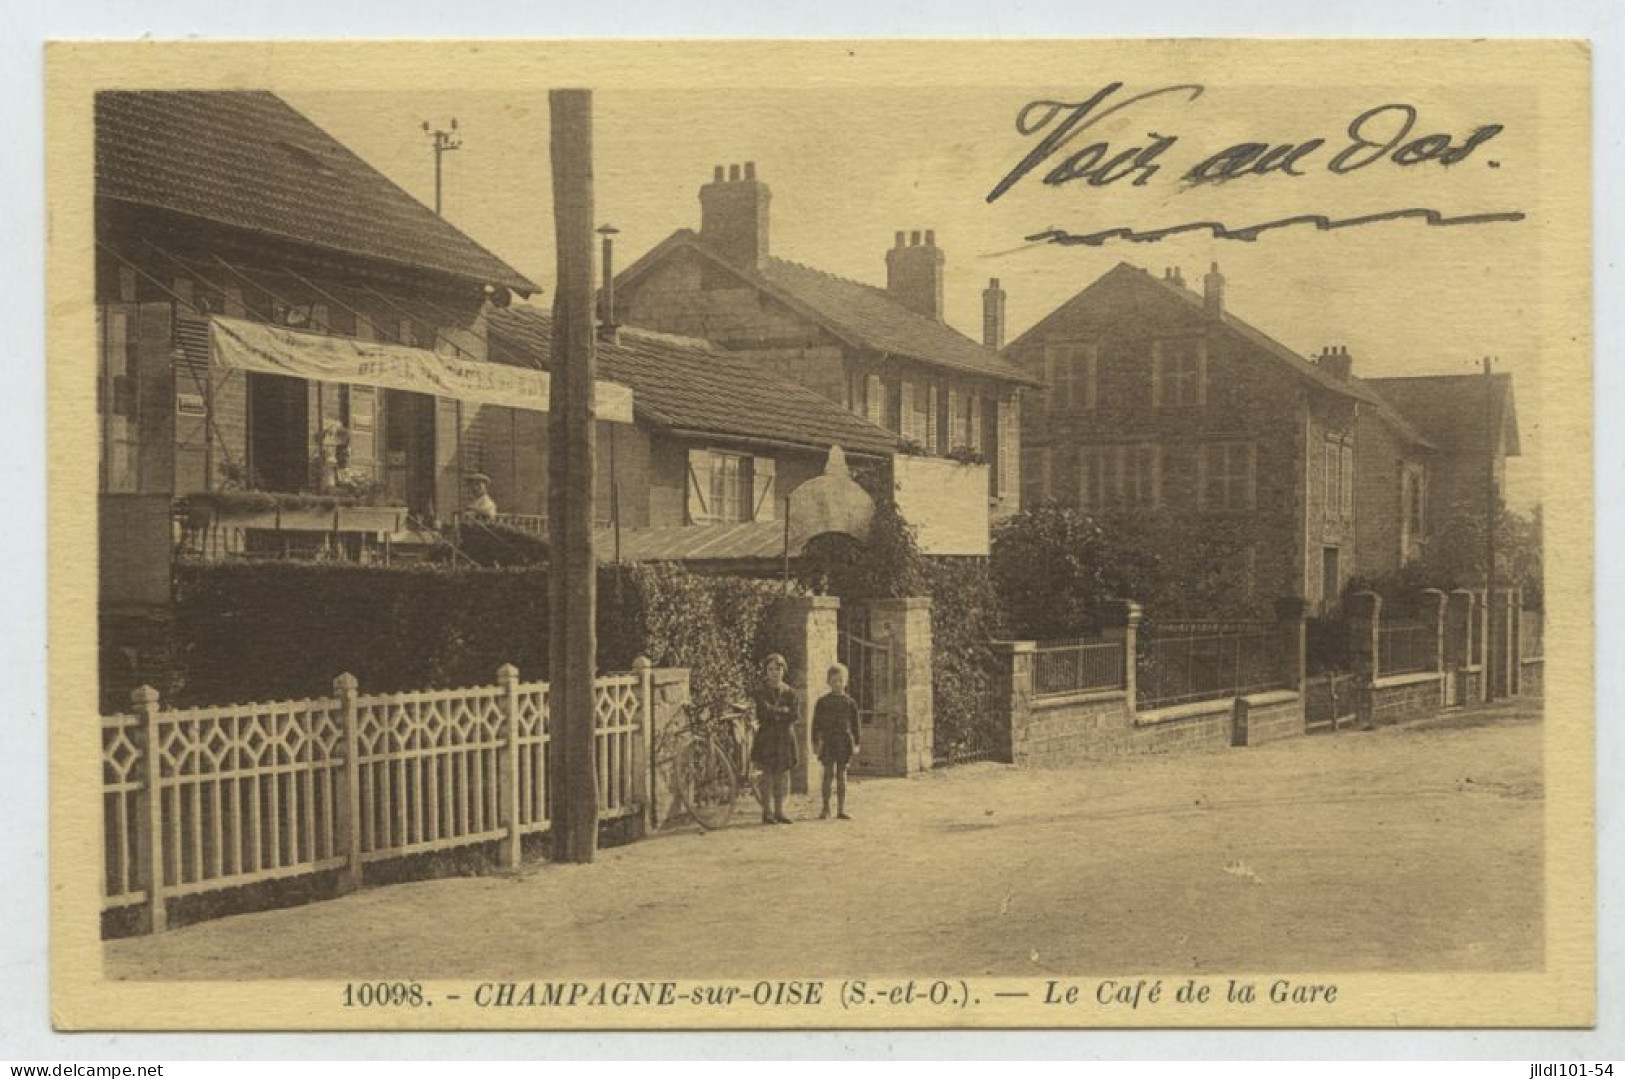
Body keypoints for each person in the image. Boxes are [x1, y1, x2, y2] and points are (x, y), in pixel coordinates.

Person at [750, 653, 800, 825]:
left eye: (778, 669)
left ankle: (780, 811)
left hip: (785, 737)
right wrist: (782, 712)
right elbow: (763, 712)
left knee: (781, 775)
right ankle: (767, 812)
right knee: (768, 775)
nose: (774, 673)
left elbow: (794, 715)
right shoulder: (760, 692)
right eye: (770, 669)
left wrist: (776, 712)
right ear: (766, 671)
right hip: (767, 737)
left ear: (783, 670)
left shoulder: (791, 692)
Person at [812, 663, 861, 820]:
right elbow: (815, 723)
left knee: (842, 774)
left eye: (841, 680)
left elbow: (856, 725)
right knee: (828, 774)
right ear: (828, 682)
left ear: (845, 682)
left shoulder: (850, 703)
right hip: (828, 741)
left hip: (844, 742)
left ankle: (841, 809)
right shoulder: (822, 702)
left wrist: (857, 743)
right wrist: (815, 741)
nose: (838, 684)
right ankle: (825, 808)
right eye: (834, 681)